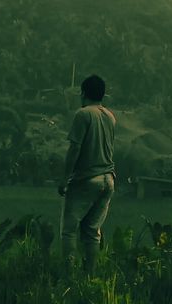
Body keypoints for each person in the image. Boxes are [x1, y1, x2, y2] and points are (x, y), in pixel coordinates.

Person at [58, 74, 116, 273]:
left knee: (68, 230)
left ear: (83, 94)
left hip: (87, 179)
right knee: (92, 232)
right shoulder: (110, 116)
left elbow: (75, 148)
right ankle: (90, 277)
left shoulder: (83, 114)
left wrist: (65, 179)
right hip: (108, 180)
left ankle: (69, 275)